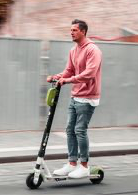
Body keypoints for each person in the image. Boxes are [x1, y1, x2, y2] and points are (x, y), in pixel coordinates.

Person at [46, 19, 102, 179]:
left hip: (88, 96)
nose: (71, 32)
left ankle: (84, 165)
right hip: (75, 95)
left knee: (80, 130)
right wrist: (56, 77)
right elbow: (69, 71)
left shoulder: (93, 50)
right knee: (69, 130)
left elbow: (90, 74)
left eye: (74, 30)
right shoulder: (73, 50)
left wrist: (68, 81)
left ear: (83, 31)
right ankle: (71, 164)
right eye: (70, 30)